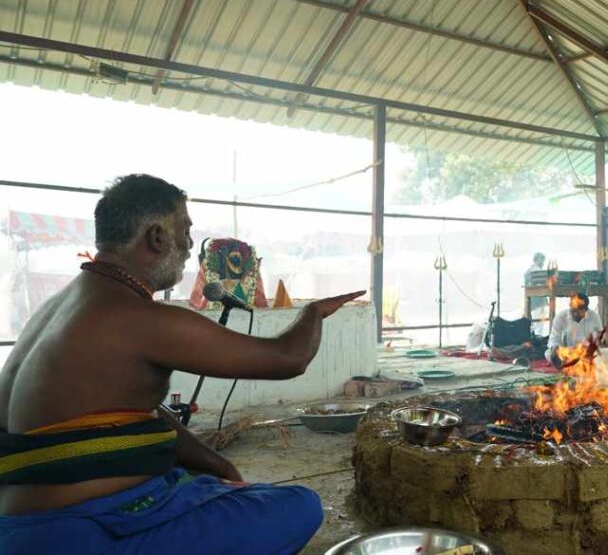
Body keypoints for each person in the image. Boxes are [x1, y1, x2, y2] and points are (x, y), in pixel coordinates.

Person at [0, 174, 365, 552]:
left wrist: (218, 465)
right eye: (185, 230)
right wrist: (313, 314)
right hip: (80, 533)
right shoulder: (137, 316)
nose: (191, 245)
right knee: (298, 507)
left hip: (16, 525)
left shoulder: (54, 309)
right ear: (157, 237)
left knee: (210, 484)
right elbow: (289, 358)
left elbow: (143, 415)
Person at [545, 293, 602, 366]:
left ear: (586, 309)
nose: (575, 314)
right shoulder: (561, 317)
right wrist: (555, 348)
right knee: (549, 354)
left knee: (601, 354)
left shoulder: (594, 317)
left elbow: (598, 339)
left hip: (586, 352)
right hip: (567, 352)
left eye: (579, 311)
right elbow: (554, 338)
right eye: (573, 310)